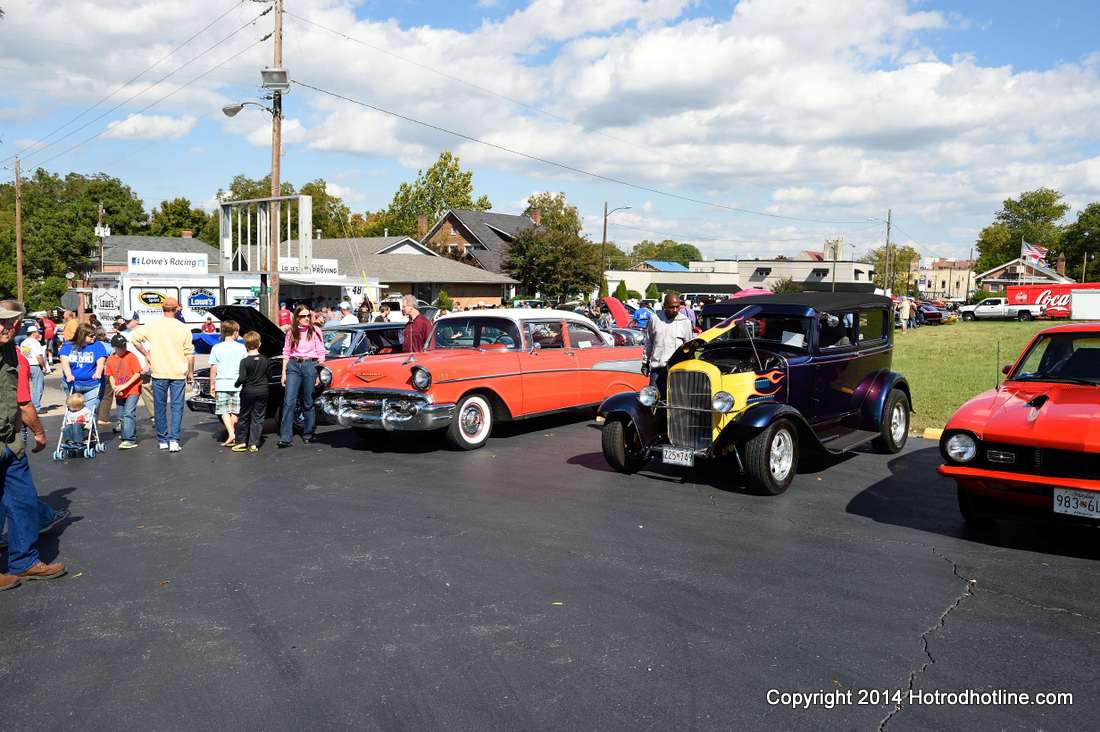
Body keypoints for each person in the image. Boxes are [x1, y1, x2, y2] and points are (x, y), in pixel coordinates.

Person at [1, 300, 66, 590]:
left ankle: (24, 562)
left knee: (23, 501)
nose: (6, 327)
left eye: (10, 322)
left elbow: (24, 402)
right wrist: (40, 434)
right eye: (1, 321)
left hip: (10, 442)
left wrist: (36, 432)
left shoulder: (15, 355)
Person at [130, 298, 195, 453]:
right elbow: (189, 353)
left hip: (159, 371)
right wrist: (191, 372)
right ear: (177, 309)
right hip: (178, 372)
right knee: (177, 407)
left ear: (162, 308)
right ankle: (174, 439)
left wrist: (146, 354)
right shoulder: (183, 328)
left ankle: (162, 439)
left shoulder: (153, 325)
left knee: (159, 407)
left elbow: (135, 339)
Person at [278, 305, 324, 448]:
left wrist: (318, 372)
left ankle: (309, 433)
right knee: (288, 401)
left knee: (308, 401)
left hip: (310, 366)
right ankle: (286, 437)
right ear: (297, 318)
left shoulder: (315, 331)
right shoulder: (291, 332)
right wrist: (283, 373)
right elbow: (286, 353)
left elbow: (321, 353)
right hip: (293, 365)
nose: (306, 319)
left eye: (308, 316)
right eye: (303, 316)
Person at [643, 293, 694, 396]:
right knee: (654, 402)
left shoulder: (685, 322)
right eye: (671, 307)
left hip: (676, 371)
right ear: (664, 306)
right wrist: (645, 362)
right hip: (657, 369)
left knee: (675, 402)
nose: (675, 310)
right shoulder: (655, 319)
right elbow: (649, 342)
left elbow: (689, 347)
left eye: (677, 306)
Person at [209, 320, 246, 447]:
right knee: (236, 410)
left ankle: (231, 433)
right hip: (237, 384)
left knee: (223, 410)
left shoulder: (216, 347)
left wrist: (212, 384)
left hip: (221, 383)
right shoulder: (241, 347)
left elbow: (213, 368)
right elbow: (244, 366)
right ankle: (232, 433)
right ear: (235, 332)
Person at [231, 331, 270, 453]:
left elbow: (242, 378)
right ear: (260, 344)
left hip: (248, 391)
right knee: (258, 417)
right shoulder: (265, 360)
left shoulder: (244, 361)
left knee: (244, 416)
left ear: (245, 345)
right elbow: (268, 375)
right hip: (263, 390)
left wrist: (236, 384)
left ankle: (241, 441)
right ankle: (254, 443)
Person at [60, 323, 108, 414]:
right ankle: (74, 427)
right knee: (74, 410)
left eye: (95, 335)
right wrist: (69, 375)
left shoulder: (97, 345)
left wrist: (98, 373)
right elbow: (64, 362)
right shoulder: (68, 346)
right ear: (82, 335)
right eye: (91, 336)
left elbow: (101, 361)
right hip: (73, 383)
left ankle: (89, 427)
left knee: (89, 412)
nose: (94, 337)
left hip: (92, 384)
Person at [105, 334, 142, 449]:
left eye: (124, 346)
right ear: (115, 348)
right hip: (120, 391)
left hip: (133, 389)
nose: (123, 348)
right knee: (121, 416)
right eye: (121, 347)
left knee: (128, 413)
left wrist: (125, 386)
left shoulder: (131, 356)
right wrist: (114, 386)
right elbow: (110, 375)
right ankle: (128, 433)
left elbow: (137, 373)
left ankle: (129, 439)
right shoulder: (111, 359)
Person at [119, 313, 155, 420]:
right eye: (125, 320)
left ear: (137, 320)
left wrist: (148, 365)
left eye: (129, 320)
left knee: (146, 391)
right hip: (128, 369)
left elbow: (150, 350)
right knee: (126, 394)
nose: (126, 323)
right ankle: (124, 421)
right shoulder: (123, 334)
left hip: (143, 367)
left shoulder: (144, 332)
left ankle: (155, 417)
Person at [19, 326, 48, 412]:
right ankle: (36, 406)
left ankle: (27, 405)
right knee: (38, 386)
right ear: (34, 333)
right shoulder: (35, 342)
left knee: (26, 387)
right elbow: (39, 356)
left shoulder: (23, 342)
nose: (38, 334)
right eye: (37, 332)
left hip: (25, 365)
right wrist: (44, 366)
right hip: (35, 365)